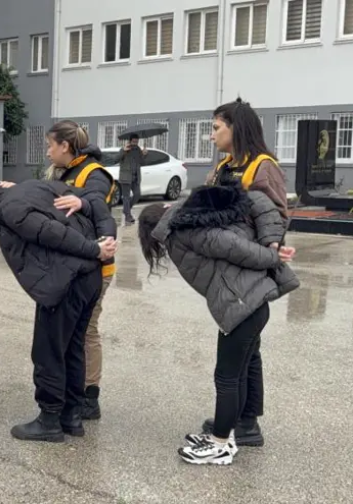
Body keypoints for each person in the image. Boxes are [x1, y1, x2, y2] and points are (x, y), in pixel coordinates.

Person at [137, 184, 298, 465]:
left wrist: (272, 256)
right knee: (238, 373)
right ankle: (230, 434)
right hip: (249, 304)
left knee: (226, 378)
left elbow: (230, 245)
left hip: (241, 305)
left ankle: (220, 444)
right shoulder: (190, 222)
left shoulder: (183, 231)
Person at [0, 179, 116, 442]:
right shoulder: (34, 187)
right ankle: (71, 417)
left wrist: (94, 248)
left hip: (66, 281)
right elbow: (94, 199)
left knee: (48, 352)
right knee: (72, 349)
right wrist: (105, 240)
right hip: (89, 277)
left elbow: (50, 232)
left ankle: (49, 420)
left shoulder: (7, 208)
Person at [199, 98, 290, 446]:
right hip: (229, 267)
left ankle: (244, 422)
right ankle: (244, 420)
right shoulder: (225, 166)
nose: (211, 136)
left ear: (235, 128)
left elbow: (276, 217)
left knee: (244, 346)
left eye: (216, 128)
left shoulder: (263, 167)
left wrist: (266, 251)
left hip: (249, 269)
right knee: (248, 349)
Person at [43, 121, 118, 421]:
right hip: (76, 264)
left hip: (97, 265)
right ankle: (72, 389)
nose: (47, 152)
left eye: (50, 145)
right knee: (74, 331)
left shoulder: (93, 172)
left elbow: (97, 202)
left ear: (65, 146)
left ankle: (89, 394)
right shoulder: (65, 171)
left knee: (86, 330)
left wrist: (82, 200)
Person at [118, 135, 146, 225]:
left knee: (137, 194)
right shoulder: (124, 149)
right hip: (125, 177)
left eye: (136, 142)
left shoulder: (138, 150)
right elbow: (116, 159)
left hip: (136, 177)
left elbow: (142, 162)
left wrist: (144, 154)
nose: (135, 143)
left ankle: (126, 210)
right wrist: (123, 151)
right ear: (130, 141)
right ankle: (128, 216)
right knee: (126, 197)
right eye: (134, 142)